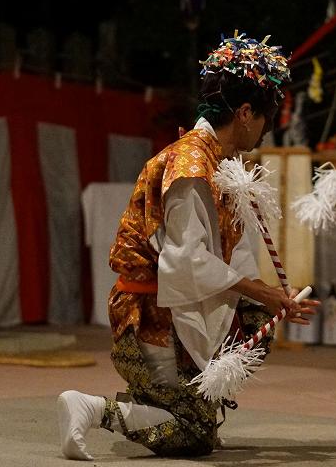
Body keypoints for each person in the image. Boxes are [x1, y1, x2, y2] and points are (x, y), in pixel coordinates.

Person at [58, 33, 319, 460]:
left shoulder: (215, 161)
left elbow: (227, 257)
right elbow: (186, 262)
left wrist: (273, 298)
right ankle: (93, 409)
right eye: (266, 117)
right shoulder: (191, 165)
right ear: (245, 112)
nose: (268, 128)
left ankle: (174, 404)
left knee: (256, 319)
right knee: (190, 436)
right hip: (149, 321)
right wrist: (265, 292)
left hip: (170, 311)